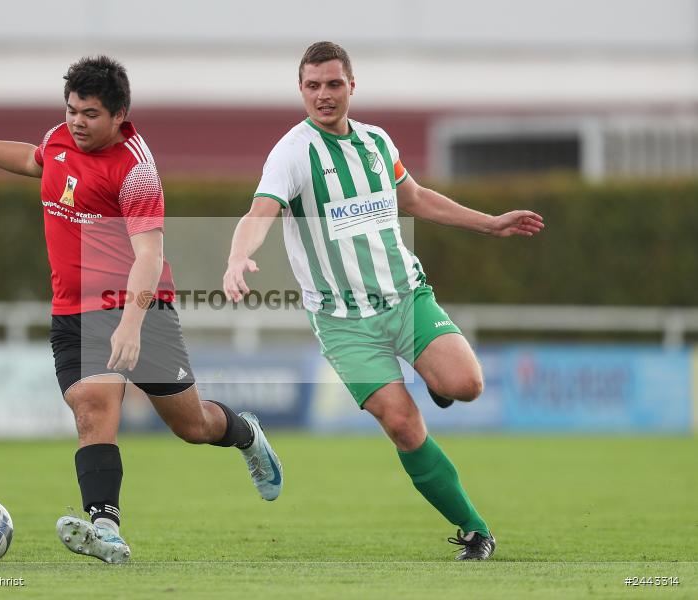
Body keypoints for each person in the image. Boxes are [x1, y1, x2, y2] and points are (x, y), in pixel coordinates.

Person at [0, 55, 282, 564]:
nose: (77, 122)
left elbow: (150, 256)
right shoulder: (60, 138)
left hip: (139, 307)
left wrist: (131, 326)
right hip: (73, 309)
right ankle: (106, 528)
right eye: (71, 110)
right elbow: (31, 159)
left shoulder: (136, 170)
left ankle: (246, 434)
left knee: (193, 426)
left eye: (89, 114)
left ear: (119, 115)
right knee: (93, 406)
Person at [224, 41, 544, 560]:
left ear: (352, 84)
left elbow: (413, 198)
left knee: (467, 386)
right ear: (300, 90)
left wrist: (489, 223)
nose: (323, 95)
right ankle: (475, 529)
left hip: (404, 298)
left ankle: (438, 380)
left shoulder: (376, 142)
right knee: (402, 423)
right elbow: (259, 211)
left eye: (333, 84)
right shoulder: (291, 152)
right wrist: (237, 259)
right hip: (344, 323)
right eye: (312, 86)